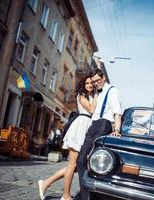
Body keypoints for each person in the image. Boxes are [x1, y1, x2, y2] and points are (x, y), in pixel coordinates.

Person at [38, 74, 98, 200]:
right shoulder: (82, 96)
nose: (89, 85)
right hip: (80, 127)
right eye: (87, 83)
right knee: (72, 165)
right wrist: (97, 95)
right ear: (83, 84)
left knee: (78, 165)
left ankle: (46, 183)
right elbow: (92, 110)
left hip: (87, 128)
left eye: (91, 83)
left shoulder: (92, 96)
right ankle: (65, 195)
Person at [75, 68, 123, 200]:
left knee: (94, 162)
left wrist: (117, 130)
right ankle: (86, 195)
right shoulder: (98, 93)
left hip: (104, 125)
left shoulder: (112, 90)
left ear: (103, 78)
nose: (95, 83)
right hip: (93, 125)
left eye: (97, 80)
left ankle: (93, 195)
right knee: (80, 160)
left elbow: (117, 112)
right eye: (93, 81)